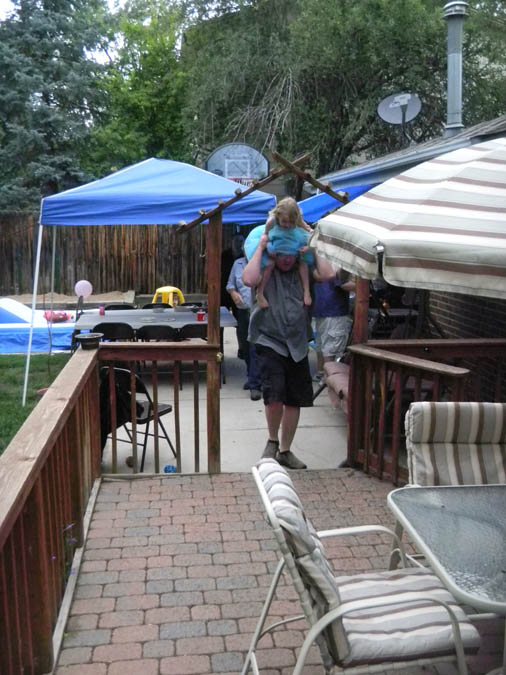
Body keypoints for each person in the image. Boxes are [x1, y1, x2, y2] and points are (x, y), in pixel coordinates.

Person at [242, 227, 334, 469]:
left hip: (298, 342)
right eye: (280, 253)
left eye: (289, 254)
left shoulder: (304, 269)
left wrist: (315, 243)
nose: (285, 259)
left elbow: (328, 274)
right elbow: (248, 280)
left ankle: (285, 450)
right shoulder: (265, 267)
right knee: (274, 395)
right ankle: (272, 441)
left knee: (294, 399)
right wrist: (261, 247)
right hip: (268, 339)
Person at [254, 198, 313, 309]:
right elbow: (265, 236)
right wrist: (270, 249)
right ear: (278, 216)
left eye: (291, 222)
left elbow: (308, 231)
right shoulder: (271, 221)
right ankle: (260, 292)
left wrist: (308, 246)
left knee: (303, 261)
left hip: (292, 243)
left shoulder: (297, 220)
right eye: (284, 222)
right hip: (277, 242)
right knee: (269, 264)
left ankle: (307, 291)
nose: (287, 225)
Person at [226, 239, 263, 401]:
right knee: (246, 347)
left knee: (256, 347)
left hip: (259, 312)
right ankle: (252, 376)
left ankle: (255, 385)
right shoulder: (238, 264)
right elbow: (230, 284)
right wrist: (234, 293)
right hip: (242, 311)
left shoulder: (263, 263)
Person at [312, 270, 355, 382]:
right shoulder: (335, 265)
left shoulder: (320, 262)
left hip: (321, 309)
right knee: (331, 349)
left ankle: (321, 373)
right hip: (335, 310)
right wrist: (362, 285)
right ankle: (329, 379)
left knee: (322, 344)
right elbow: (344, 284)